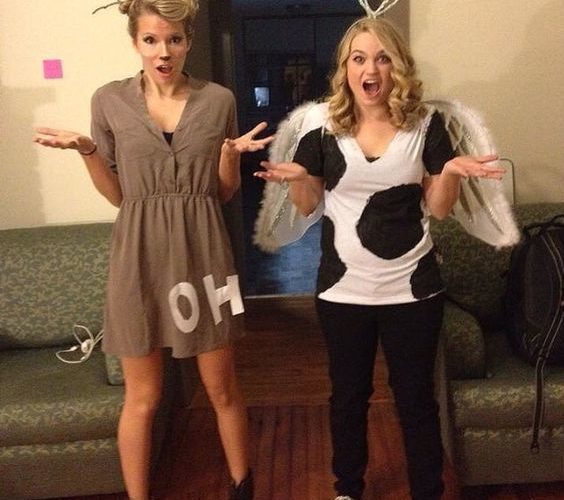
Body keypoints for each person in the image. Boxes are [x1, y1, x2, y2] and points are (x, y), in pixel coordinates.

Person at [255, 16, 505, 500]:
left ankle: (427, 491)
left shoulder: (426, 126)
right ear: (346, 69)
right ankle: (347, 489)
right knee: (348, 398)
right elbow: (308, 205)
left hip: (413, 291)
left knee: (416, 400)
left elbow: (439, 208)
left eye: (382, 58)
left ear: (398, 67)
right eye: (359, 58)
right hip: (342, 291)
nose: (370, 69)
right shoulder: (323, 127)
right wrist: (299, 180)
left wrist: (450, 173)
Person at [33, 1, 272, 499]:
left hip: (204, 253)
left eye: (175, 40)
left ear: (189, 42)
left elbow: (223, 192)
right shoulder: (109, 101)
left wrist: (229, 156)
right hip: (137, 258)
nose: (164, 52)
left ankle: (242, 486)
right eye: (151, 40)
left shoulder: (219, 100)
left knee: (222, 387)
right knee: (143, 397)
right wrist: (87, 151)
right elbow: (118, 196)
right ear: (135, 42)